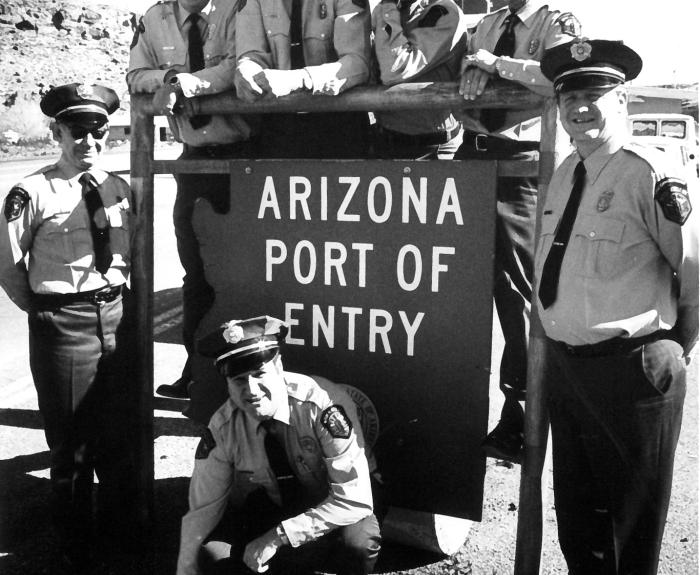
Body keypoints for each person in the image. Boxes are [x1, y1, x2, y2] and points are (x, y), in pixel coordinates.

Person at [536, 39, 698, 575]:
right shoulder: (565, 171)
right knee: (579, 523)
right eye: (569, 96)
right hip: (569, 369)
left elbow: (694, 272)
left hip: (633, 370)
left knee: (632, 528)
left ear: (622, 100)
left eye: (595, 94)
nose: (580, 107)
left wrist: (674, 348)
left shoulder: (648, 172)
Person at [0, 83, 137, 570]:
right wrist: (47, 314)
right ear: (58, 132)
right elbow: (9, 266)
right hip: (65, 323)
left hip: (116, 317)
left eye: (97, 132)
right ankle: (75, 542)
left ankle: (122, 533)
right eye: (77, 132)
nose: (88, 142)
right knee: (72, 440)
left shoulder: (120, 187)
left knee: (119, 434)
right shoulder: (31, 191)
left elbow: (130, 254)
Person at [455, 0, 580, 463]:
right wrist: (478, 72)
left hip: (523, 164)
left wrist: (496, 65)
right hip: (471, 156)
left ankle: (521, 418)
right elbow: (461, 74)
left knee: (520, 297)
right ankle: (447, 415)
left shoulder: (556, 21)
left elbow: (563, 73)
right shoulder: (485, 23)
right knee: (452, 286)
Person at [176, 316, 381, 575]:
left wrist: (277, 537)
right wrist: (186, 568)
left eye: (259, 374)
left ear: (278, 366)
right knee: (212, 556)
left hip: (335, 502)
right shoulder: (223, 427)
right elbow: (201, 511)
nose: (251, 390)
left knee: (358, 545)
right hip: (276, 502)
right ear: (227, 383)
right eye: (239, 380)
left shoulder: (321, 406)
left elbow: (355, 499)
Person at [128, 0, 256, 399]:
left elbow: (239, 65)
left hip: (245, 161)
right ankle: (197, 370)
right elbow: (135, 74)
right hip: (194, 161)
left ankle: (248, 376)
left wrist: (185, 84)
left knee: (246, 275)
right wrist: (168, 76)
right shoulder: (154, 18)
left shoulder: (240, 8)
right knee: (196, 274)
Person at [234, 0, 372, 159]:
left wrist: (298, 80)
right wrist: (247, 71)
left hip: (339, 125)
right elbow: (250, 55)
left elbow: (357, 63)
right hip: (279, 126)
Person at [370, 0, 467, 159]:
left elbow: (396, 68)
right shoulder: (397, 11)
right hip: (386, 141)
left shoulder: (444, 13)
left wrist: (386, 7)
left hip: (432, 148)